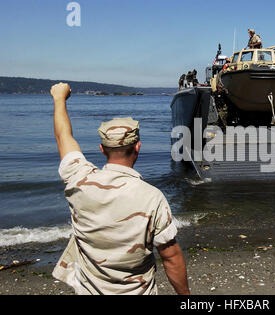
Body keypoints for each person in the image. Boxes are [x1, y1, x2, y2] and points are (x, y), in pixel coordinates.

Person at [50, 82, 190, 295]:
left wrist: (59, 99)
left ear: (101, 149)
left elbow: (63, 137)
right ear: (138, 147)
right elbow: (171, 258)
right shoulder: (152, 198)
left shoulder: (79, 179)